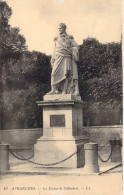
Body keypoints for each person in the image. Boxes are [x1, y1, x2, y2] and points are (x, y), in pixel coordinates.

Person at [48, 23, 79, 95]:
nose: (59, 30)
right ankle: (53, 89)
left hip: (66, 57)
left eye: (60, 28)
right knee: (53, 73)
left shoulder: (69, 38)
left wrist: (72, 50)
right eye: (58, 28)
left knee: (65, 74)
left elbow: (76, 47)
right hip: (58, 57)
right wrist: (52, 58)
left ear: (64, 28)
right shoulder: (56, 39)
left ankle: (64, 91)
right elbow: (55, 49)